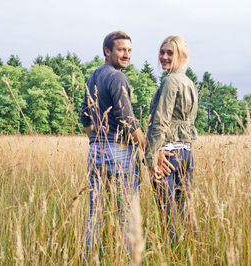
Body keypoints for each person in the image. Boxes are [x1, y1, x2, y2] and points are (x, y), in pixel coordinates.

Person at [79, 30, 147, 260]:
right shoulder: (117, 78)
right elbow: (128, 121)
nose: (126, 54)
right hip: (120, 151)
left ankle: (91, 260)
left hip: (96, 152)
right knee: (127, 215)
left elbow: (84, 117)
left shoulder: (93, 76)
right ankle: (131, 260)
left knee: (94, 214)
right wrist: (147, 147)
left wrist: (96, 139)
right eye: (121, 50)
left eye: (129, 50)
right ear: (107, 51)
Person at [145, 35, 198, 241]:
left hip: (167, 155)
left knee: (168, 217)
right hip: (186, 153)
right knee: (186, 212)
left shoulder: (170, 81)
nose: (164, 57)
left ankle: (173, 257)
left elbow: (161, 121)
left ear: (181, 55)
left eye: (170, 53)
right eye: (162, 52)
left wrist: (151, 159)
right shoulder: (189, 82)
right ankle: (193, 254)